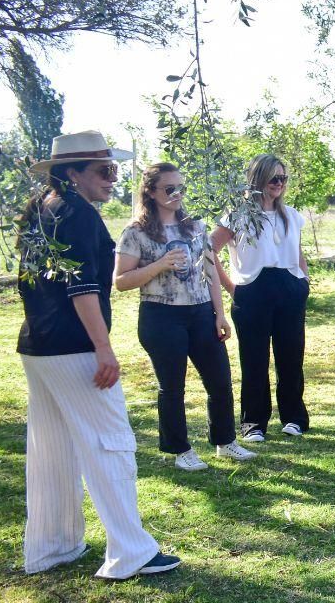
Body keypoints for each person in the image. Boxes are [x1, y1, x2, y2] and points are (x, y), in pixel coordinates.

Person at [17, 131, 180, 579]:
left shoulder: (41, 212)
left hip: (39, 347)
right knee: (111, 444)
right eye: (103, 171)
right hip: (74, 347)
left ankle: (54, 547)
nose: (112, 179)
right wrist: (103, 347)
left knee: (54, 449)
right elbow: (83, 287)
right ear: (73, 174)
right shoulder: (78, 214)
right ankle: (131, 553)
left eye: (114, 170)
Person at [114, 162, 256, 471]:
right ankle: (180, 450)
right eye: (169, 188)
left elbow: (210, 272)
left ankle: (225, 441)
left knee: (219, 380)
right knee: (172, 386)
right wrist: (160, 264)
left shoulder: (195, 226)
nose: (177, 194)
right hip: (160, 315)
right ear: (150, 193)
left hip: (201, 312)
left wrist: (219, 314)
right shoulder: (135, 232)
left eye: (181, 187)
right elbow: (121, 281)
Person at [211, 154, 310, 442]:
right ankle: (253, 422)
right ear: (258, 180)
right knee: (253, 359)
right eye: (273, 178)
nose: (279, 184)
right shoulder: (238, 215)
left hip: (290, 288)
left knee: (291, 356)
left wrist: (303, 279)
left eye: (283, 178)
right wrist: (233, 288)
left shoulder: (291, 215)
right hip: (253, 289)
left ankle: (294, 417)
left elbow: (297, 250)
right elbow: (209, 251)